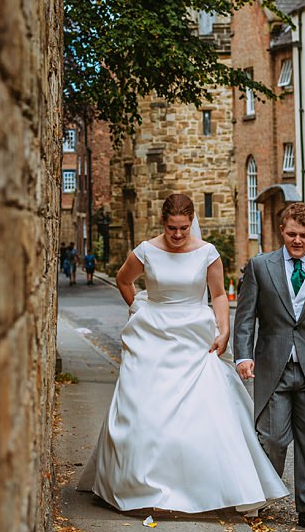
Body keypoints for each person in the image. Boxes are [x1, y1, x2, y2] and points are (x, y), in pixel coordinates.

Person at [77, 193, 289, 515]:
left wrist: (224, 330)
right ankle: (137, 485)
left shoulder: (207, 253)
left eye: (184, 228)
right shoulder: (146, 251)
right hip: (152, 335)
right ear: (163, 222)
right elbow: (123, 280)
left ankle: (208, 488)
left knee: (205, 412)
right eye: (172, 228)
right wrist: (138, 308)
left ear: (192, 223)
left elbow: (218, 295)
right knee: (141, 410)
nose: (177, 235)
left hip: (194, 337)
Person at [233, 202, 305, 532]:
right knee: (271, 436)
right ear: (281, 231)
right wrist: (243, 356)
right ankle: (260, 498)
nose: (296, 240)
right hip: (274, 367)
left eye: (303, 235)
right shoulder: (260, 267)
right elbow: (245, 317)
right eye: (290, 234)